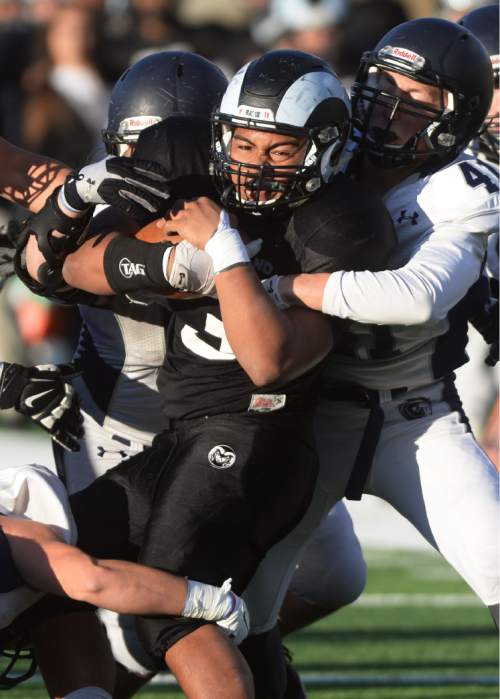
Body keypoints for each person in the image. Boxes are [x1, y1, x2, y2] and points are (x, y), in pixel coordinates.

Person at [26, 50, 394, 698]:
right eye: (244, 143)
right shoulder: (189, 164)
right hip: (180, 433)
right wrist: (164, 265)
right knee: (51, 563)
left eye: (280, 150)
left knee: (182, 607)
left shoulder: (341, 223)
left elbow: (268, 360)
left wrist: (223, 252)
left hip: (258, 438)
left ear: (324, 149)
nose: (255, 163)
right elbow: (70, 269)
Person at [258, 18, 499, 629]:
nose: (384, 106)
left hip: (411, 419)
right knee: (241, 616)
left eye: (412, 98)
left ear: (456, 119)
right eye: (379, 86)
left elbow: (417, 298)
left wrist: (284, 288)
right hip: (302, 417)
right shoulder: (317, 150)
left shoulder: (460, 189)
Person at [0, 462, 249, 691]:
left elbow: (94, 581)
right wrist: (219, 604)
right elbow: (93, 581)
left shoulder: (20, 542)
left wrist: (215, 602)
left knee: (62, 594)